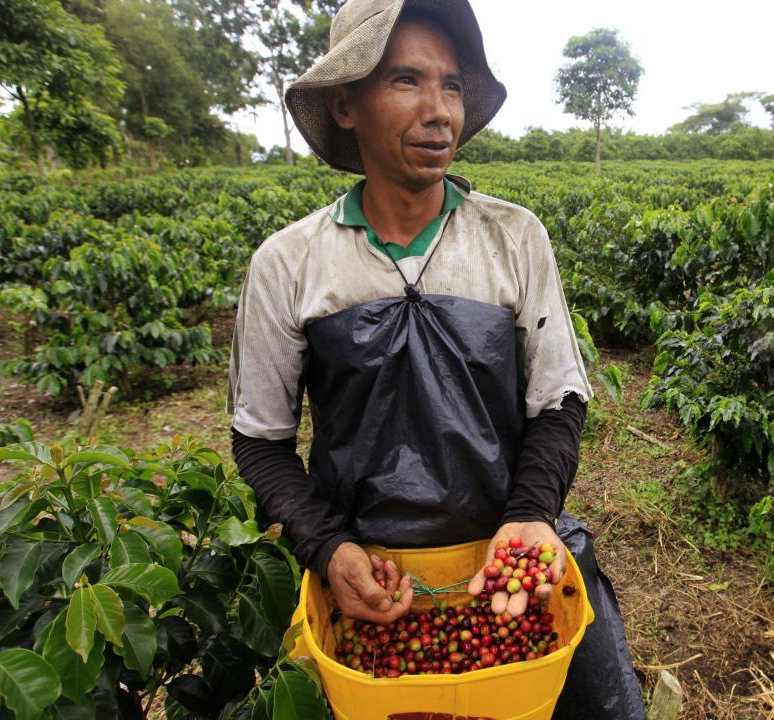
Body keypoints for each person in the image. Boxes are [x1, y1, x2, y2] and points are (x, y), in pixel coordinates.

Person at [226, 1, 646, 716]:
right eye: (406, 81)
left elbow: (559, 398)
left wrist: (531, 515)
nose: (439, 111)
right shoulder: (291, 263)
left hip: (506, 558)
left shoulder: (513, 238)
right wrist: (329, 551)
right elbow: (261, 441)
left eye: (451, 85)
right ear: (346, 104)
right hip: (373, 582)